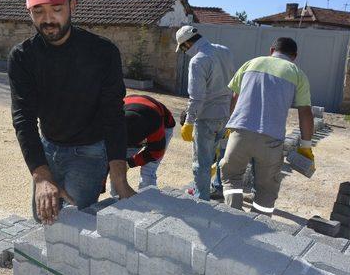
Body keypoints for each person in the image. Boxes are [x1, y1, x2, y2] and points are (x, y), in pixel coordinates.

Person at [7, 0, 135, 225]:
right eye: (38, 11)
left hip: (90, 153)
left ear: (72, 5)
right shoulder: (23, 58)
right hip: (49, 147)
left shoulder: (103, 53)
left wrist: (119, 178)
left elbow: (113, 114)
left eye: (56, 8)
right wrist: (42, 177)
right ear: (29, 12)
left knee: (73, 224)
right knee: (43, 217)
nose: (48, 19)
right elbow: (24, 119)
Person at [220, 37, 314, 215]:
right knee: (266, 190)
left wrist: (227, 127)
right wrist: (306, 146)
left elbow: (234, 98)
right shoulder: (297, 73)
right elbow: (305, 113)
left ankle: (232, 217)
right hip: (271, 141)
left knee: (231, 178)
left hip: (240, 133)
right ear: (294, 56)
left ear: (272, 50)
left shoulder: (251, 63)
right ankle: (259, 224)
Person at [175, 26, 234, 200]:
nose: (184, 52)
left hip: (206, 118)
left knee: (201, 162)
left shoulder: (198, 61)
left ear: (187, 43)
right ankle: (218, 188)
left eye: (183, 48)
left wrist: (189, 122)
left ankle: (202, 199)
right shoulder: (225, 51)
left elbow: (197, 97)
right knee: (222, 156)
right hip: (226, 115)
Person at [121, 94, 175, 190]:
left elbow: (155, 153)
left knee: (148, 170)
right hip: (131, 118)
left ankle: (147, 199)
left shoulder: (155, 123)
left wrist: (130, 163)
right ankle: (116, 200)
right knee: (119, 167)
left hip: (163, 123)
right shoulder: (114, 119)